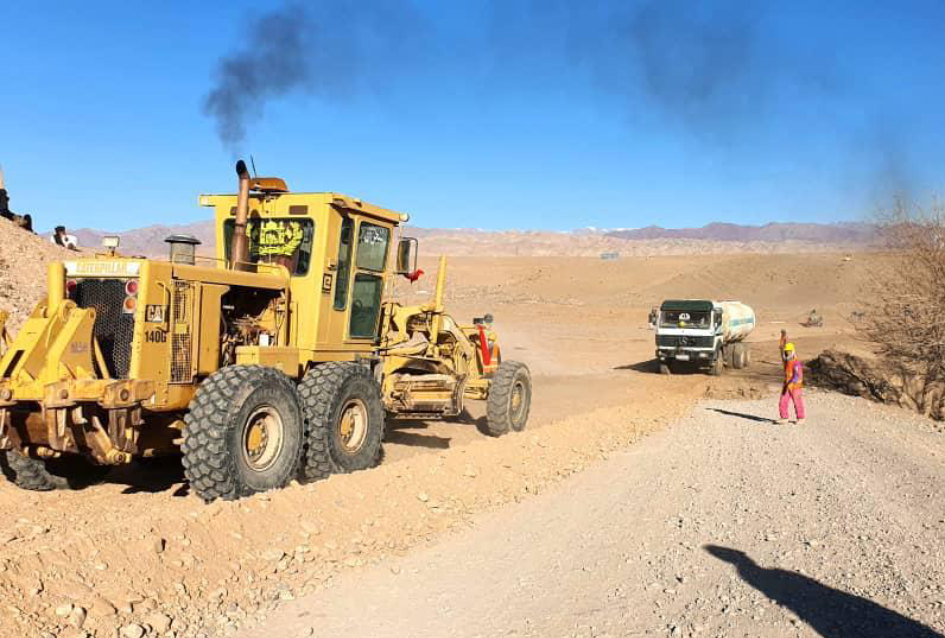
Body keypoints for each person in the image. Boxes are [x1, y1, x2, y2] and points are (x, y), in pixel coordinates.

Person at [778, 342, 805, 425]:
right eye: (786, 352)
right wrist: (781, 347)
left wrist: (791, 382)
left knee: (797, 402)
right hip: (787, 385)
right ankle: (784, 417)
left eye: (789, 351)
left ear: (793, 351)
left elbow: (796, 376)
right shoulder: (786, 362)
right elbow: (782, 354)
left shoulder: (796, 363)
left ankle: (801, 418)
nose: (788, 353)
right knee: (783, 401)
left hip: (795, 386)